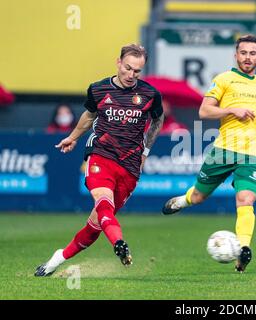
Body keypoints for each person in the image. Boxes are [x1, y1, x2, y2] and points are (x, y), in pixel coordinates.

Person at [35, 44, 164, 276]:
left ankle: (56, 259)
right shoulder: (98, 89)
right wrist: (73, 137)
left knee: (96, 225)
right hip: (101, 156)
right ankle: (119, 243)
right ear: (118, 63)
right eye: (128, 68)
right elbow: (89, 115)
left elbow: (157, 120)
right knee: (103, 202)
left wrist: (145, 152)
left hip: (131, 165)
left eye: (137, 71)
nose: (131, 75)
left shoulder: (150, 94)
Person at [161, 35, 256, 273]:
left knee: (246, 199)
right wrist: (232, 110)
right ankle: (183, 200)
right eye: (243, 53)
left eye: (252, 53)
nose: (247, 57)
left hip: (252, 154)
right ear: (236, 55)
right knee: (198, 197)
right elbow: (204, 111)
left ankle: (243, 249)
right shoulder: (224, 79)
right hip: (224, 151)